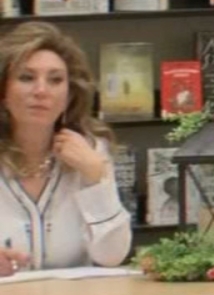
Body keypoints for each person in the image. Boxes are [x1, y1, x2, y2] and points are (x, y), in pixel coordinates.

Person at [0, 21, 133, 274]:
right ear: (3, 92)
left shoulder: (91, 151)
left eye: (55, 80)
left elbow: (112, 256)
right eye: (27, 78)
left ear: (69, 95)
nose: (41, 91)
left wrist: (96, 176)